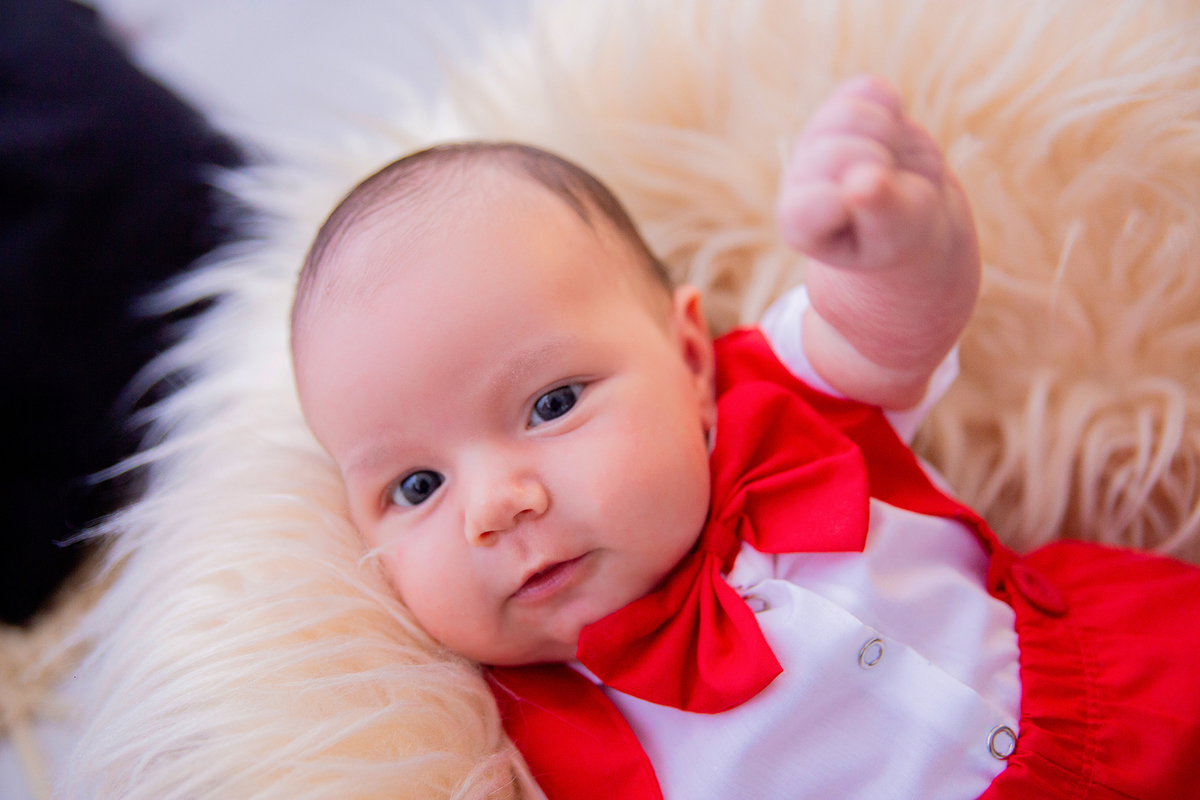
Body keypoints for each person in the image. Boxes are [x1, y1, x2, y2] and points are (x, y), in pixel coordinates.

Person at [290, 77, 1200, 799]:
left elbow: (882, 326)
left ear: (688, 360)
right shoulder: (511, 735)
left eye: (553, 403)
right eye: (416, 487)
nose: (497, 506)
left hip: (1135, 694)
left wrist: (893, 242)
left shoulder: (772, 401)